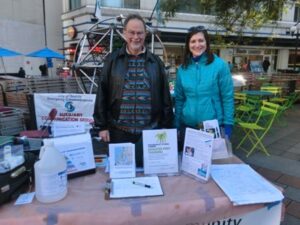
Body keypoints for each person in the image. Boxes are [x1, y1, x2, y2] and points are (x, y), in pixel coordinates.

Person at [93, 14, 174, 167]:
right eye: (132, 32)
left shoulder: (156, 62)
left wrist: (166, 126)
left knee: (149, 175)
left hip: (150, 134)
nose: (136, 37)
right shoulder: (112, 60)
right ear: (124, 33)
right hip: (119, 133)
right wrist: (102, 126)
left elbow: (165, 97)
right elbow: (102, 93)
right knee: (122, 176)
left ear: (145, 34)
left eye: (140, 33)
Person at [174, 25, 234, 148]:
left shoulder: (220, 65)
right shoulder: (182, 69)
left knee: (213, 165)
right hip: (188, 126)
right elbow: (179, 99)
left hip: (212, 126)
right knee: (189, 165)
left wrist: (228, 124)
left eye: (201, 40)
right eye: (193, 41)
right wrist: (176, 124)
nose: (197, 45)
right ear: (188, 44)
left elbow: (227, 97)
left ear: (207, 42)